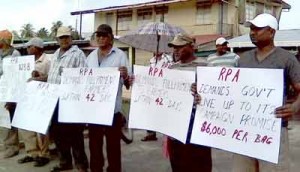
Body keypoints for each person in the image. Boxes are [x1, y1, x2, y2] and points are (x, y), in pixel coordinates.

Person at [232, 13, 300, 172]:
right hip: (244, 130)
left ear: (272, 32)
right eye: (251, 29)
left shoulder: (287, 59)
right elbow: (231, 89)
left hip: (273, 130)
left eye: (258, 29)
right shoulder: (242, 59)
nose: (252, 33)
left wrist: (295, 107)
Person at [86, 24, 130, 172]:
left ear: (111, 38)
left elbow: (128, 83)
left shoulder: (120, 55)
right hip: (94, 110)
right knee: (94, 144)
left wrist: (125, 75)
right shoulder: (91, 57)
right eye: (98, 35)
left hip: (113, 110)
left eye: (104, 35)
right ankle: (96, 169)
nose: (100, 38)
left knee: (113, 145)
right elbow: (85, 80)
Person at [167, 33, 212, 172]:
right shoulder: (171, 69)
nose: (175, 50)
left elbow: (216, 94)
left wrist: (203, 94)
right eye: (174, 47)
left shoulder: (206, 66)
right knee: (178, 162)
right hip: (176, 125)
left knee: (199, 163)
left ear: (191, 47)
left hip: (197, 124)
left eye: (179, 47)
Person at [47, 26, 88, 172]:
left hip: (71, 101)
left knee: (75, 135)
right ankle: (65, 162)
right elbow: (52, 76)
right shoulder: (56, 53)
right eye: (61, 37)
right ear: (57, 40)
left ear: (71, 38)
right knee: (58, 134)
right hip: (55, 100)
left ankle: (81, 165)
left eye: (66, 37)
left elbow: (84, 77)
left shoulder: (78, 54)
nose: (64, 40)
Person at [17, 37, 51, 167]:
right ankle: (32, 152)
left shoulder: (48, 60)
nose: (27, 49)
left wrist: (38, 77)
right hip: (27, 97)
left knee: (41, 127)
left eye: (29, 46)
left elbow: (52, 77)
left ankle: (44, 154)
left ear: (37, 47)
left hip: (42, 98)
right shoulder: (27, 61)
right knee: (26, 126)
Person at [142, 52, 174, 142]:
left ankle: (168, 135)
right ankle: (151, 133)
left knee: (166, 111)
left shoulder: (168, 58)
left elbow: (171, 71)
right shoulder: (151, 60)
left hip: (165, 89)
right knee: (150, 110)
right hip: (153, 89)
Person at [0, 29, 21, 159]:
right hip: (1, 90)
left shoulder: (15, 54)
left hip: (9, 91)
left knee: (10, 119)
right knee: (2, 120)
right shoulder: (0, 53)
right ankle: (6, 145)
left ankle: (12, 147)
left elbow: (17, 74)